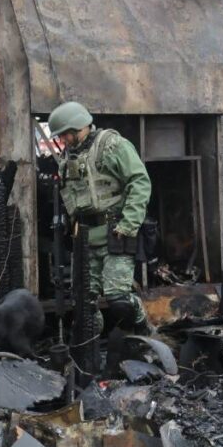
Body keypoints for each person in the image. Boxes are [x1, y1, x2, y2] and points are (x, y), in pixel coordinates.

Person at [48, 101, 153, 342]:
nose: (62, 140)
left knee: (119, 301)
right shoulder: (68, 156)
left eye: (64, 134)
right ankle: (88, 356)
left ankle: (145, 333)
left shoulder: (112, 145)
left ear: (76, 127)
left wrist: (129, 223)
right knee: (85, 306)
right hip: (83, 236)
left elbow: (139, 181)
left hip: (114, 232)